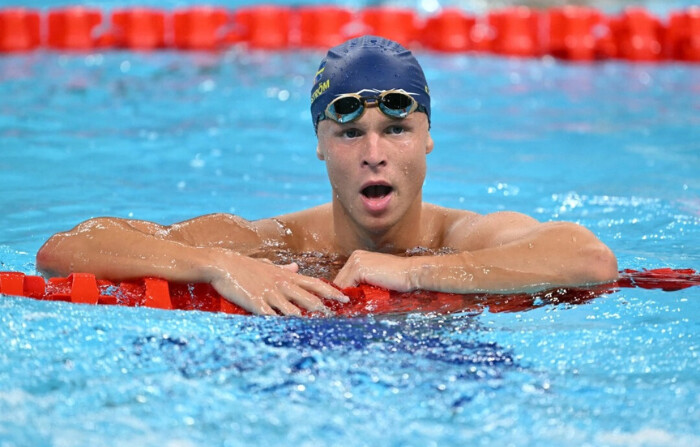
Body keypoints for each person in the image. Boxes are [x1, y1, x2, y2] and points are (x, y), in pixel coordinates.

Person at [36, 35, 618, 316]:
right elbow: (66, 249)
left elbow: (590, 260)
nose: (374, 152)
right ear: (320, 144)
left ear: (428, 138)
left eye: (395, 130)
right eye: (349, 133)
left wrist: (418, 276)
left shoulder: (460, 239)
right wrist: (219, 264)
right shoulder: (275, 245)